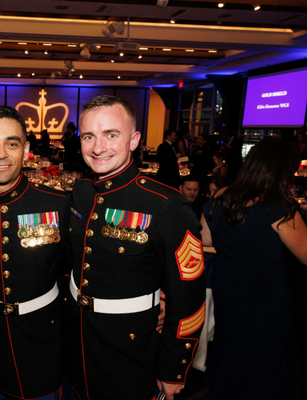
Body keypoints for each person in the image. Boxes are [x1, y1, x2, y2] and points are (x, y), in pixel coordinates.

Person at [63, 95, 206, 400]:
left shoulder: (167, 206)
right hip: (76, 346)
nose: (98, 148)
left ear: (134, 140)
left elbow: (189, 300)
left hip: (130, 354)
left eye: (111, 135)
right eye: (89, 136)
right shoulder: (82, 191)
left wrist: (173, 369)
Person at [0, 105, 71, 400]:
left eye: (12, 143)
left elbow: (85, 266)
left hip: (44, 345)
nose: (1, 154)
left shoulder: (58, 204)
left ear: (26, 149)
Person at [200, 138, 307, 400]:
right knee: (261, 366)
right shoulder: (281, 210)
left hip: (229, 292)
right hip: (265, 303)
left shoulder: (220, 197)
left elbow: (204, 240)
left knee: (231, 354)